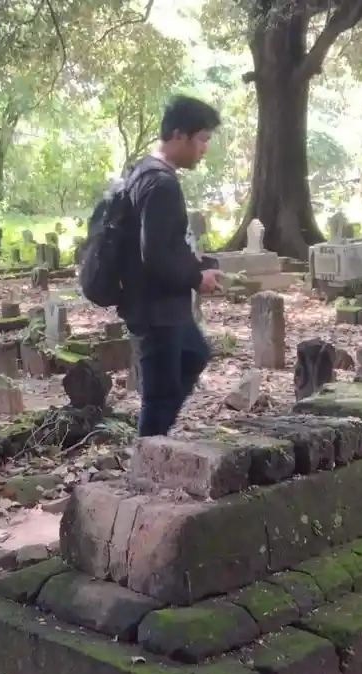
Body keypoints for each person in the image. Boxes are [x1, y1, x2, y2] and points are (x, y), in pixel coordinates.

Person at [117, 95, 224, 438]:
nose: (204, 149)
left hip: (161, 304)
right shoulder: (160, 183)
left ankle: (157, 441)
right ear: (180, 135)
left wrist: (193, 260)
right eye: (202, 139)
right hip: (157, 308)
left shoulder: (143, 171)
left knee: (195, 354)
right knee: (159, 395)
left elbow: (161, 242)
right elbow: (156, 254)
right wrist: (196, 277)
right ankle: (148, 456)